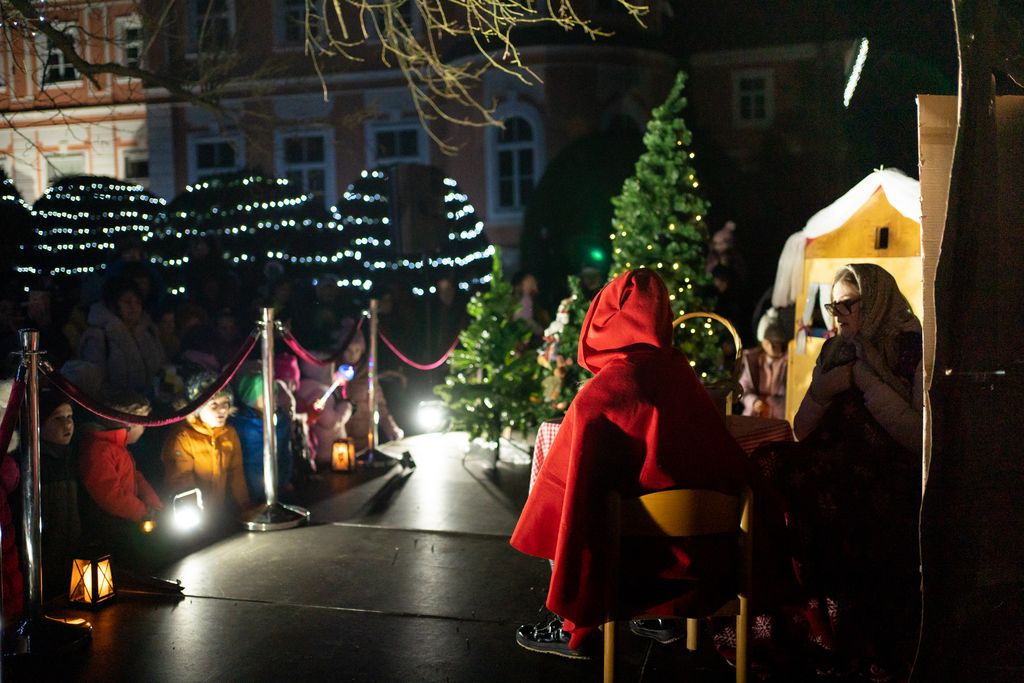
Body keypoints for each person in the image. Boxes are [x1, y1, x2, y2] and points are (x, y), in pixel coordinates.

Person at [510, 269, 763, 658]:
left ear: (607, 318)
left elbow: (576, 502)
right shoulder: (683, 377)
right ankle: (661, 619)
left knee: (588, 509)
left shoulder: (602, 394)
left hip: (628, 570)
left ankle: (575, 627)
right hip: (700, 567)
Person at [751, 263, 922, 679]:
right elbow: (803, 428)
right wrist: (827, 385)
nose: (837, 314)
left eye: (848, 304)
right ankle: (777, 605)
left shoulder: (910, 348)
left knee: (824, 489)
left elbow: (917, 435)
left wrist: (866, 379)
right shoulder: (834, 350)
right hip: (831, 457)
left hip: (883, 466)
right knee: (767, 463)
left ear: (876, 300)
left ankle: (840, 630)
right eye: (832, 306)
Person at [78, 388, 164, 558]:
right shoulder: (99, 449)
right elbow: (110, 495)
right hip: (111, 530)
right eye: (142, 424)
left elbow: (137, 478)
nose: (144, 429)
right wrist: (144, 512)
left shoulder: (116, 447)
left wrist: (155, 504)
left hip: (126, 522)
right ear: (129, 424)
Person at [161, 372, 250, 523]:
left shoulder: (229, 434)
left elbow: (236, 473)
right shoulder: (183, 437)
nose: (222, 410)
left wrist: (245, 507)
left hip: (219, 512)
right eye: (213, 404)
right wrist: (193, 512)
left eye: (225, 403)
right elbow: (181, 477)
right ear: (197, 407)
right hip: (192, 517)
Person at [78, 277, 166, 394]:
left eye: (137, 302)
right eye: (127, 302)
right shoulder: (98, 337)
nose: (133, 307)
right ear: (112, 304)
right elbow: (94, 386)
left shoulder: (148, 331)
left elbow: (161, 367)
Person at [39, 387, 83, 600]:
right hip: (46, 564)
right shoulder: (34, 463)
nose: (67, 424)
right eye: (57, 418)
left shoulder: (72, 457)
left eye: (69, 417)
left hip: (71, 556)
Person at [230, 372, 293, 502]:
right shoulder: (241, 425)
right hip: (251, 491)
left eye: (274, 393)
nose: (273, 398)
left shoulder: (281, 421)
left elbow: (285, 454)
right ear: (251, 398)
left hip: (278, 486)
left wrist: (285, 480)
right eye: (265, 394)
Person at [739, 308, 789, 420]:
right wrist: (753, 401)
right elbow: (743, 388)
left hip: (779, 415)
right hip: (755, 415)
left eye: (777, 343)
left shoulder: (788, 362)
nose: (772, 347)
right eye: (768, 342)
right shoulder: (753, 360)